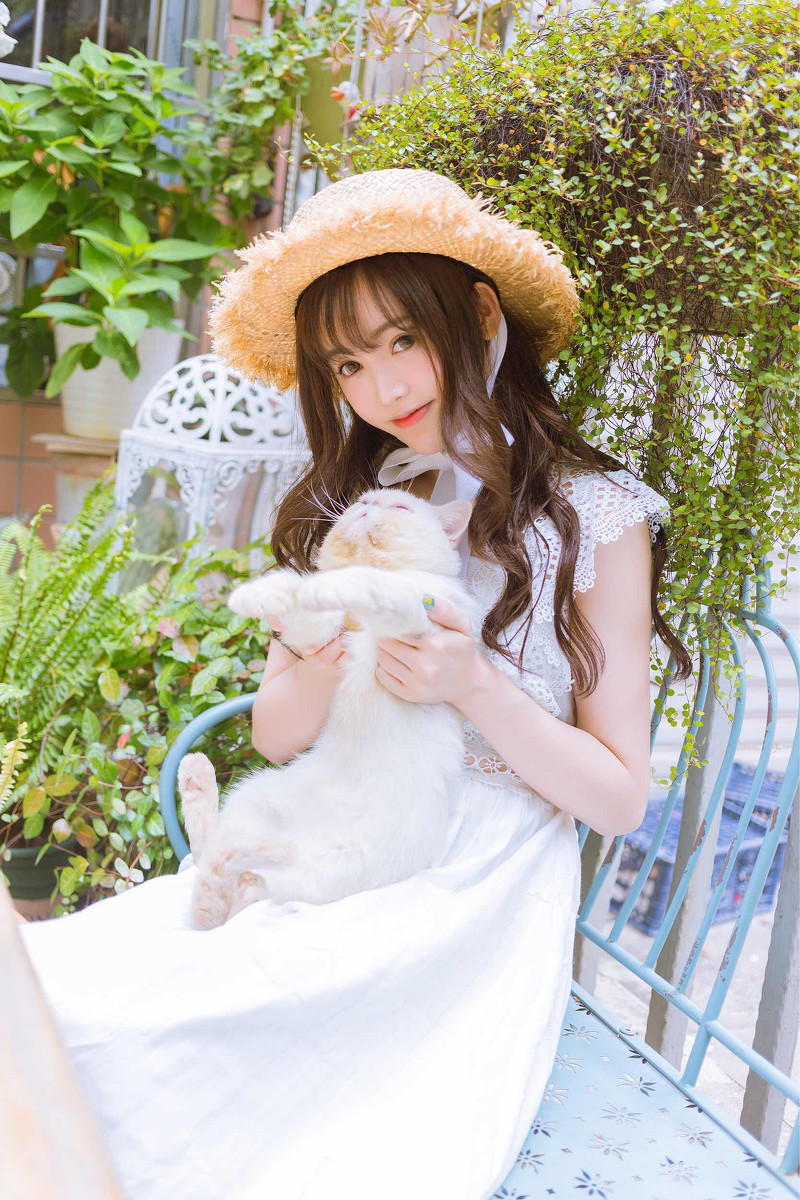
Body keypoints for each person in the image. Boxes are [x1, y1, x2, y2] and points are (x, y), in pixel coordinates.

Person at [20, 168, 690, 1200]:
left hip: (468, 885)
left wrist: (476, 688)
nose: (381, 388)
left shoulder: (591, 516)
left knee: (159, 1032)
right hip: (333, 823)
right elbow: (279, 736)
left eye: (401, 340)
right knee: (59, 993)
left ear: (477, 316)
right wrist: (317, 653)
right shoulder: (357, 505)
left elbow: (619, 798)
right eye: (347, 363)